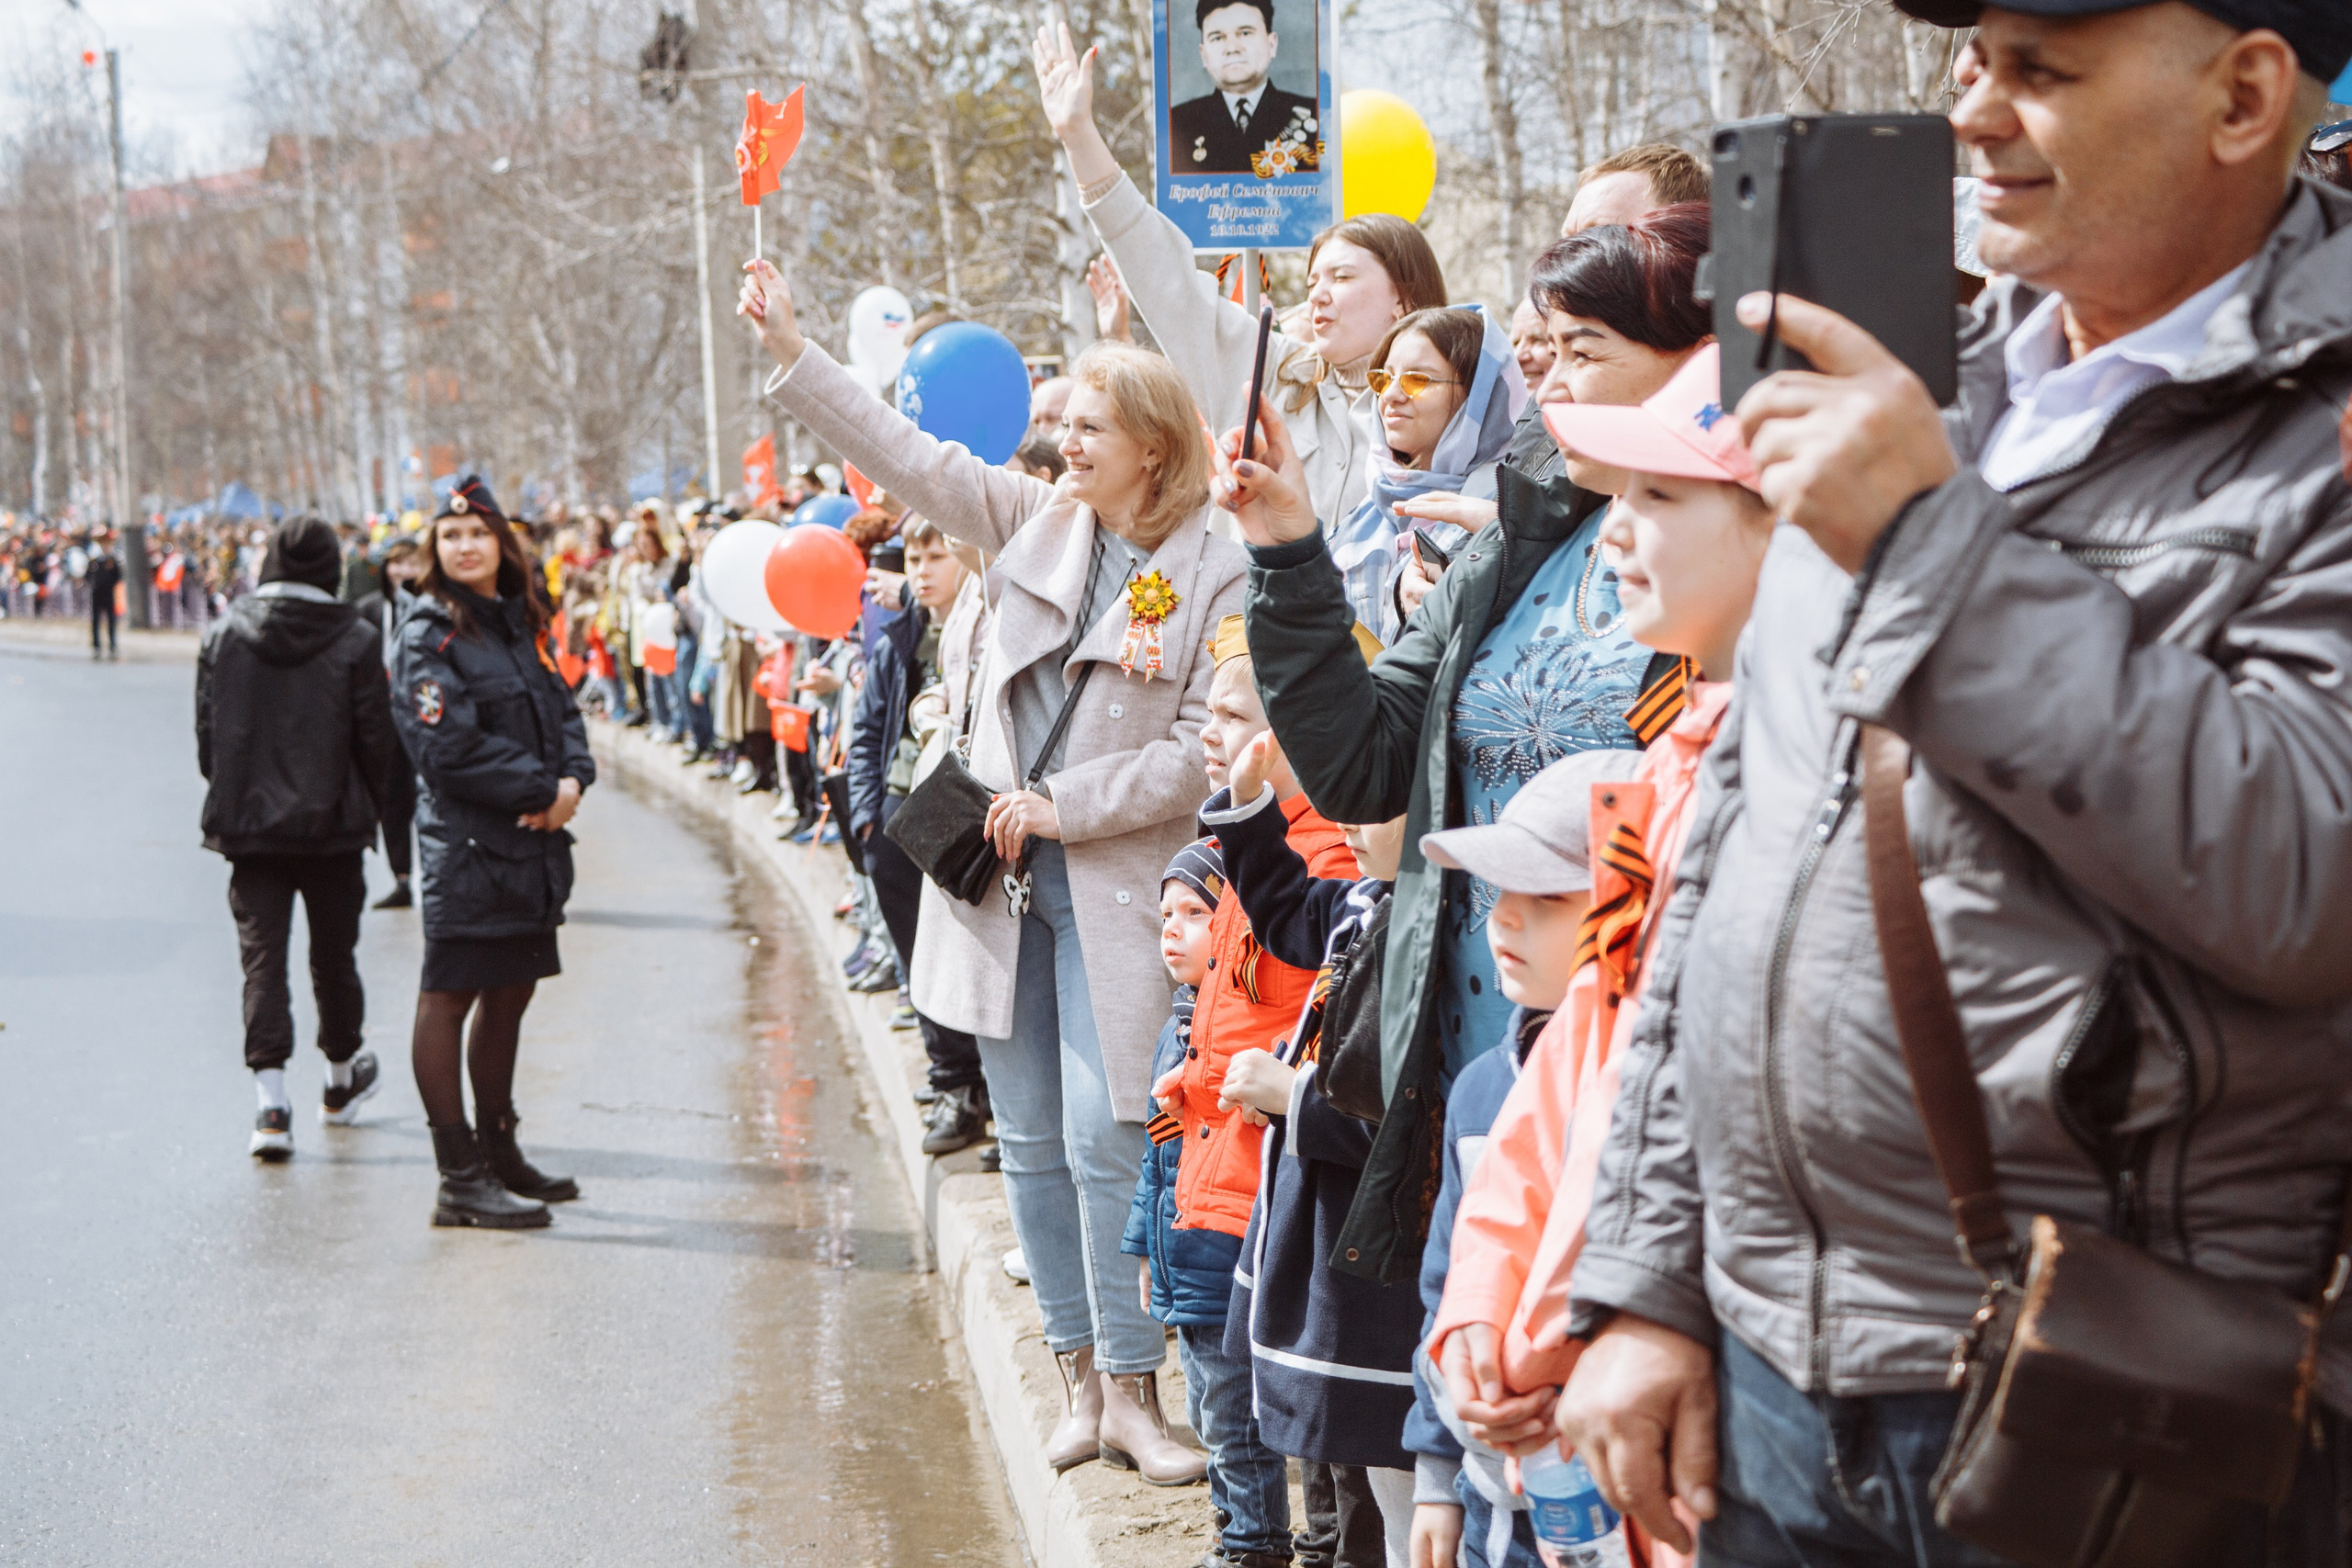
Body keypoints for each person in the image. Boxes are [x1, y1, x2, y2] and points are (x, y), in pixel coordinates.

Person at [1551, 4, 2352, 1563]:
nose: (1971, 112)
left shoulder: (2315, 429)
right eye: (1974, 56)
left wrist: (1928, 543)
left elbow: (2308, 877)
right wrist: (1649, 1276)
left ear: (2246, 95)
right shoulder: (1927, 387)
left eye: (2041, 70)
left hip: (2108, 1403)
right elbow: (1730, 854)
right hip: (1774, 1383)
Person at [741, 253, 1240, 1480]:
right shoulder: (1034, 519)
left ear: (1155, 448)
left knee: (1106, 1131)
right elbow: (911, 458)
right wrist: (797, 353)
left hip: (1113, 885)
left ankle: (1137, 1391)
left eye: (1090, 426)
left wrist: (1064, 806)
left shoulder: (1216, 560)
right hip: (991, 884)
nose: (1064, 441)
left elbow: (1200, 749)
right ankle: (1077, 1382)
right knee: (1023, 1133)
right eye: (1066, 424)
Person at [1210, 206, 1714, 1284]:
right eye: (1545, 350)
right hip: (1471, 1052)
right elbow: (1363, 762)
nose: (1549, 381)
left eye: (1584, 351)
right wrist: (1288, 547)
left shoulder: (1746, 564)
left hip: (1643, 1072)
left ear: (1701, 363)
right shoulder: (1524, 537)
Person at [1424, 343, 1774, 1568]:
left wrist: (1571, 1320)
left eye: (1658, 496)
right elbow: (1582, 1061)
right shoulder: (1661, 769)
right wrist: (1488, 1305)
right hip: (1605, 1363)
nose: (1613, 532)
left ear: (1791, 523)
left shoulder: (1799, 769)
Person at [1036, 20, 1447, 533]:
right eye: (1313, 281)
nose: (1318, 296)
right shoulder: (1268, 373)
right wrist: (1079, 137)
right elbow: (1166, 280)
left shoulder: (1456, 401)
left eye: (1341, 277)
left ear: (1402, 298)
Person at [390, 477, 594, 1231]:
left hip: (530, 845)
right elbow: (446, 745)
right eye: (450, 536)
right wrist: (544, 789)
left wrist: (573, 780)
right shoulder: (429, 632)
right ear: (434, 549)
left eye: (477, 532)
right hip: (469, 848)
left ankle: (500, 1151)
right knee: (449, 999)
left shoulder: (516, 622)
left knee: (511, 992)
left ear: (502, 544)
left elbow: (562, 710)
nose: (465, 545)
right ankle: (459, 1177)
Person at [197, 516, 401, 1159]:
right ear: (331, 567)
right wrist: (373, 809)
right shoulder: (357, 637)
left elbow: (207, 736)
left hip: (250, 829)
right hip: (332, 827)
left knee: (263, 961)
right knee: (334, 958)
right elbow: (376, 739)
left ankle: (271, 1104)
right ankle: (339, 1082)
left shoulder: (225, 631)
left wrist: (236, 790)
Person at [1125, 838, 1291, 1551]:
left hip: (1226, 1252)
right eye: (1167, 913)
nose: (1174, 928)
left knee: (1232, 1414)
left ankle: (1254, 1540)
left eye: (1196, 913)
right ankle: (1233, 1530)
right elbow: (1157, 1153)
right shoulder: (1176, 1030)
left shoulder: (1252, 1038)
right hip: (1182, 1252)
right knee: (1204, 1404)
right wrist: (1145, 1247)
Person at [849, 519, 992, 1156]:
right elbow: (866, 731)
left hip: (963, 816)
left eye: (937, 555)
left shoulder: (984, 627)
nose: (924, 569)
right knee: (920, 961)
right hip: (899, 815)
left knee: (972, 962)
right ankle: (952, 1083)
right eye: (913, 558)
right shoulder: (900, 641)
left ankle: (984, 1087)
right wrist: (865, 818)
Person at [1326, 306, 1524, 643]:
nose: (1390, 395)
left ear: (1478, 396)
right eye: (1382, 379)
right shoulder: (1370, 510)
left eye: (1417, 379)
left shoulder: (1509, 507)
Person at [1166, 0, 1319, 176]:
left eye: (1245, 33)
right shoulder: (1176, 124)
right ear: (1204, 55)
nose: (1232, 49)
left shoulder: (1316, 115)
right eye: (1217, 38)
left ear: (1271, 45)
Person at [355, 536, 426, 908]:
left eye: (411, 563)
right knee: (393, 798)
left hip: (425, 713)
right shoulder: (368, 610)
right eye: (396, 563)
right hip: (385, 717)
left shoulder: (432, 609)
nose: (402, 571)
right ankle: (402, 877)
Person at [87, 536, 121, 659]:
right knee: (96, 620)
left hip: (108, 593)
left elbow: (118, 576)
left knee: (111, 620)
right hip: (97, 593)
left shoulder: (113, 561)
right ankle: (97, 645)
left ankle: (112, 645)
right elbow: (88, 575)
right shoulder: (95, 561)